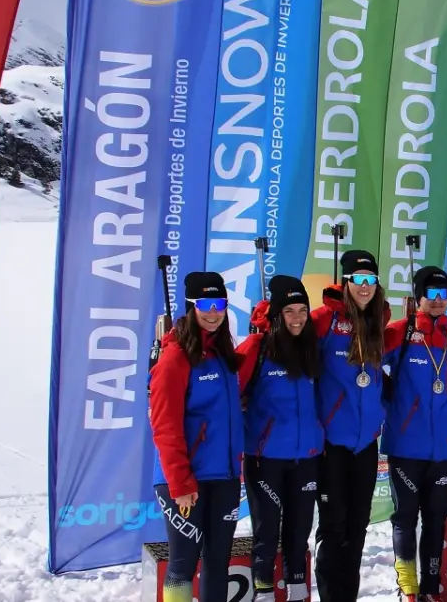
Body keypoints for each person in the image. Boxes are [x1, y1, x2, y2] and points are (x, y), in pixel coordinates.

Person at [148, 272, 243, 602]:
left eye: (220, 304)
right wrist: (181, 482)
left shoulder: (223, 353)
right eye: (205, 304)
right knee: (182, 563)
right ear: (191, 307)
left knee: (218, 562)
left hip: (224, 477)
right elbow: (164, 426)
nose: (213, 312)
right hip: (186, 480)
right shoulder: (175, 358)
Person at [311, 250, 393, 602]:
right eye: (358, 279)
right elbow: (288, 346)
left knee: (358, 526)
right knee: (334, 526)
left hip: (365, 443)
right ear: (345, 282)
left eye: (370, 279)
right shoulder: (323, 320)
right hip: (332, 443)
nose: (365, 286)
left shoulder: (377, 320)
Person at [236, 275, 323, 602]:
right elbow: (228, 391)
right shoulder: (257, 348)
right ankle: (263, 593)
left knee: (299, 533)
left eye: (302, 310)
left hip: (307, 457)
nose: (297, 318)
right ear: (276, 314)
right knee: (266, 533)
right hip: (266, 458)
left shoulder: (311, 348)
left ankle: (298, 593)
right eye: (289, 311)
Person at [383, 267, 447, 602]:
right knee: (404, 518)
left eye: (444, 294)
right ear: (419, 296)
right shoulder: (401, 331)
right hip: (406, 445)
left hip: (442, 448)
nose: (438, 300)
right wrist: (392, 399)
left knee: (435, 519)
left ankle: (430, 588)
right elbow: (366, 365)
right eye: (432, 293)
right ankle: (408, 587)